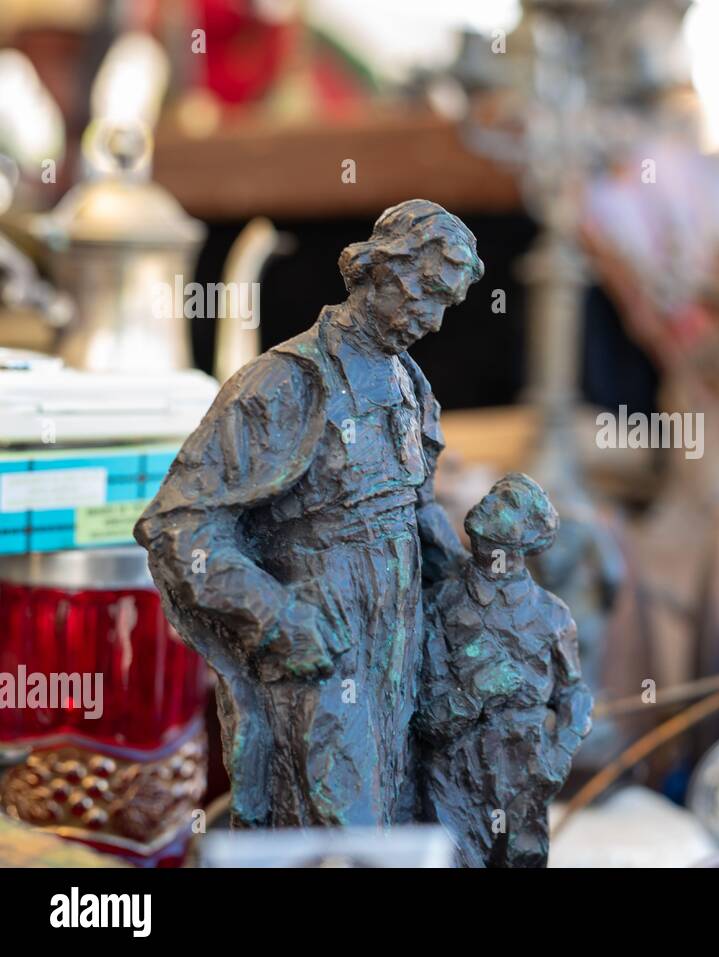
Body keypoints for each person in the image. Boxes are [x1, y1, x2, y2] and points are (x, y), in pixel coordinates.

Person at [134, 199, 484, 828]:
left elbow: (419, 509)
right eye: (426, 291)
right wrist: (274, 618)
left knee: (402, 821)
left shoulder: (411, 384)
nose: (432, 322)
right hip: (319, 654)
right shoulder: (284, 384)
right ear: (376, 269)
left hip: (399, 655)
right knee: (330, 831)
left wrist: (480, 593)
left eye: (447, 305)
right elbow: (178, 524)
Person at [413, 472, 592, 867]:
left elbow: (574, 695)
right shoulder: (440, 606)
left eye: (507, 503)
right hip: (454, 781)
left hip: (524, 781)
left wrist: (557, 757)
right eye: (494, 495)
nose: (490, 503)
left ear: (528, 537)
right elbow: (422, 723)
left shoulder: (551, 616)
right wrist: (472, 695)